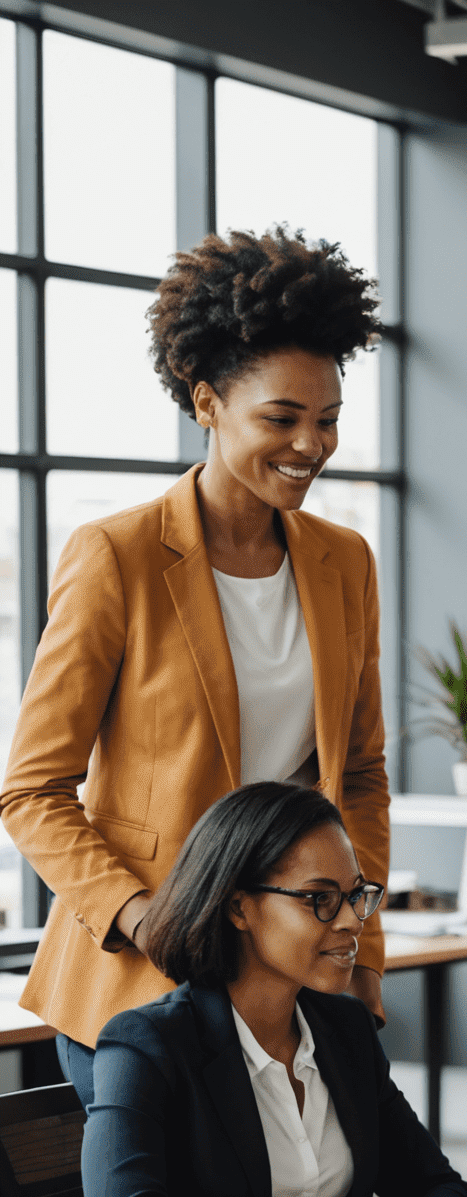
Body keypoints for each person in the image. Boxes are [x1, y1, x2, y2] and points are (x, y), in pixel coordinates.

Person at [1, 228, 391, 1107]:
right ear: (207, 402)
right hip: (139, 985)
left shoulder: (345, 562)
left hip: (290, 978)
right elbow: (31, 791)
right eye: (280, 419)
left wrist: (358, 946)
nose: (311, 444)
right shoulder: (118, 556)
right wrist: (148, 921)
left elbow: (358, 775)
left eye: (326, 418)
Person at [71, 782, 467, 1197]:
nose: (352, 920)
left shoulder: (344, 1030)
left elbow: (436, 1184)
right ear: (239, 908)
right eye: (319, 900)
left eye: (355, 896)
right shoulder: (147, 1044)